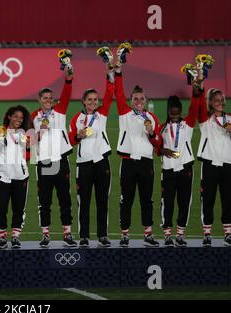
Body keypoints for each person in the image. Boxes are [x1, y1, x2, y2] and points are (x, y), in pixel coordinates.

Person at [114, 61, 162, 247]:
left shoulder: (152, 119)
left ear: (146, 100)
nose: (139, 102)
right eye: (135, 99)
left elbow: (157, 144)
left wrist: (151, 133)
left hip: (146, 163)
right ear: (130, 100)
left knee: (146, 200)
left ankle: (148, 235)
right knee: (126, 199)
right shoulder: (124, 113)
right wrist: (118, 72)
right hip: (127, 162)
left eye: (142, 99)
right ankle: (124, 235)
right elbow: (118, 92)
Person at [68, 68, 114, 247]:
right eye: (89, 100)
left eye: (95, 99)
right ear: (83, 101)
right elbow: (70, 141)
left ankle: (102, 235)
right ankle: (84, 236)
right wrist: (78, 135)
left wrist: (110, 75)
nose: (93, 102)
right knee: (84, 202)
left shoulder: (102, 114)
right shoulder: (76, 119)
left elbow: (110, 94)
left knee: (102, 200)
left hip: (102, 162)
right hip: (83, 164)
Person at [31, 69, 76, 248]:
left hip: (60, 160)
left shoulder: (60, 110)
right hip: (44, 162)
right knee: (45, 201)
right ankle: (46, 235)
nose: (48, 100)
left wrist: (68, 79)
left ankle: (67, 234)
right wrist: (39, 132)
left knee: (65, 198)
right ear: (39, 100)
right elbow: (31, 140)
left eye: (51, 98)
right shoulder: (34, 116)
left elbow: (66, 93)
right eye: (45, 98)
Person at [158, 89, 200, 247]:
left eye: (177, 113)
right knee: (167, 202)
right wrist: (162, 150)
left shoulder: (187, 124)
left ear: (180, 112)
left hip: (185, 168)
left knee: (184, 202)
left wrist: (197, 90)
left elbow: (194, 107)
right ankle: (167, 235)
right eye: (172, 113)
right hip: (168, 169)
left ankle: (180, 235)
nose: (175, 116)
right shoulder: (162, 128)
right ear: (168, 112)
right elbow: (156, 146)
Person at [0, 105, 31, 249]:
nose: (18, 120)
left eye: (21, 118)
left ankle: (15, 237)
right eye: (15, 116)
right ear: (9, 116)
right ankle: (2, 238)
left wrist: (28, 148)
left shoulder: (24, 135)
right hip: (2, 176)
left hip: (21, 177)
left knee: (19, 208)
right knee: (0, 208)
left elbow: (28, 156)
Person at [197, 84, 231, 247]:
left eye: (222, 100)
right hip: (209, 164)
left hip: (228, 164)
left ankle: (228, 233)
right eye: (216, 100)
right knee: (208, 200)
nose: (220, 102)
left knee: (228, 200)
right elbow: (200, 103)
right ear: (210, 102)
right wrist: (200, 83)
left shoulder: (230, 118)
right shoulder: (205, 119)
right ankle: (207, 234)